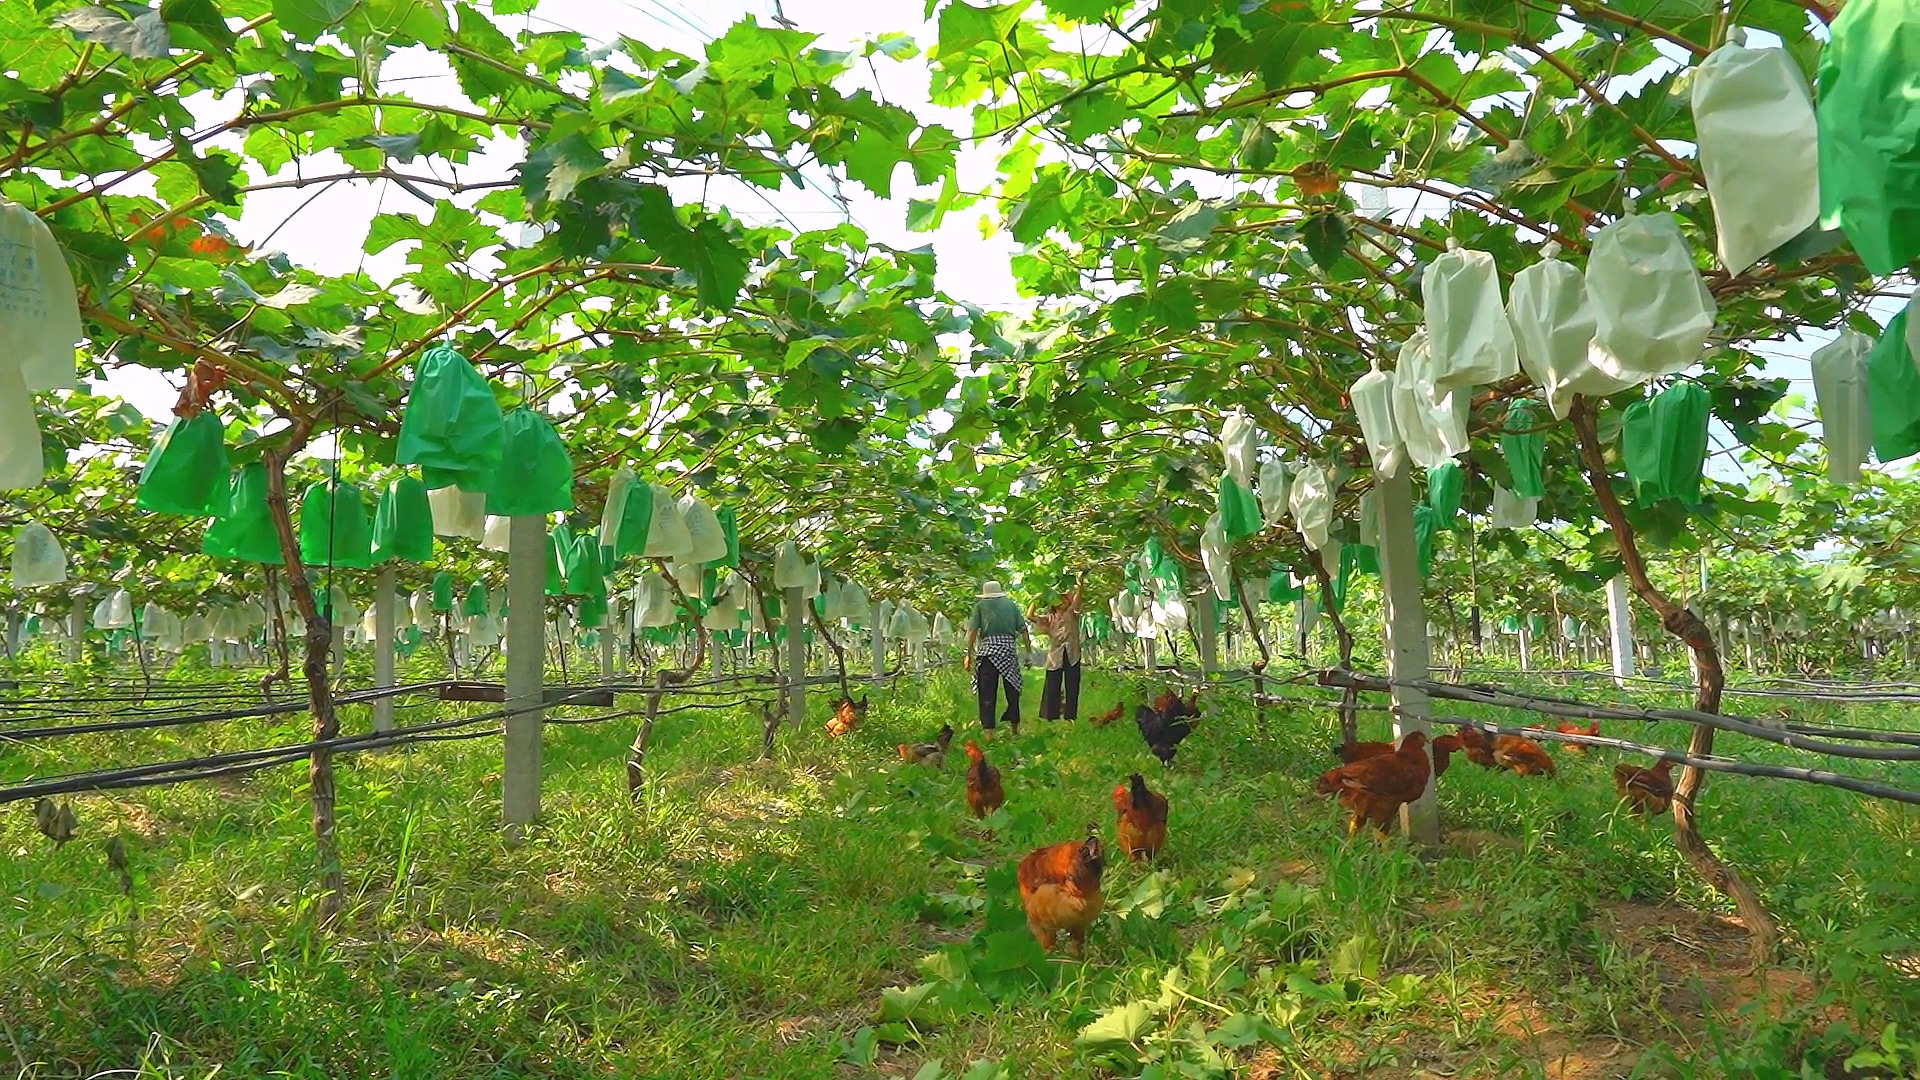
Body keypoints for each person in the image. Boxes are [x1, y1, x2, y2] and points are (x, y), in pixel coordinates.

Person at [964, 580, 1031, 735]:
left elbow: (972, 632)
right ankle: (1015, 729)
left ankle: (989, 733)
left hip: (987, 653)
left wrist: (968, 654)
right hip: (1008, 651)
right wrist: (1028, 653)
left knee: (987, 693)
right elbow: (1023, 630)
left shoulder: (980, 606)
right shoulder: (1011, 606)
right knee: (1012, 690)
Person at [1030, 581, 1083, 721]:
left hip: (1072, 654)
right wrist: (1038, 598)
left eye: (1065, 598)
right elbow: (1030, 615)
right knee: (1052, 685)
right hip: (1055, 657)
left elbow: (1078, 598)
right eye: (1059, 598)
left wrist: (1080, 584)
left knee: (1072, 686)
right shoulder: (1048, 619)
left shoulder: (1072, 614)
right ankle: (1050, 715)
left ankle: (1070, 716)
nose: (1063, 600)